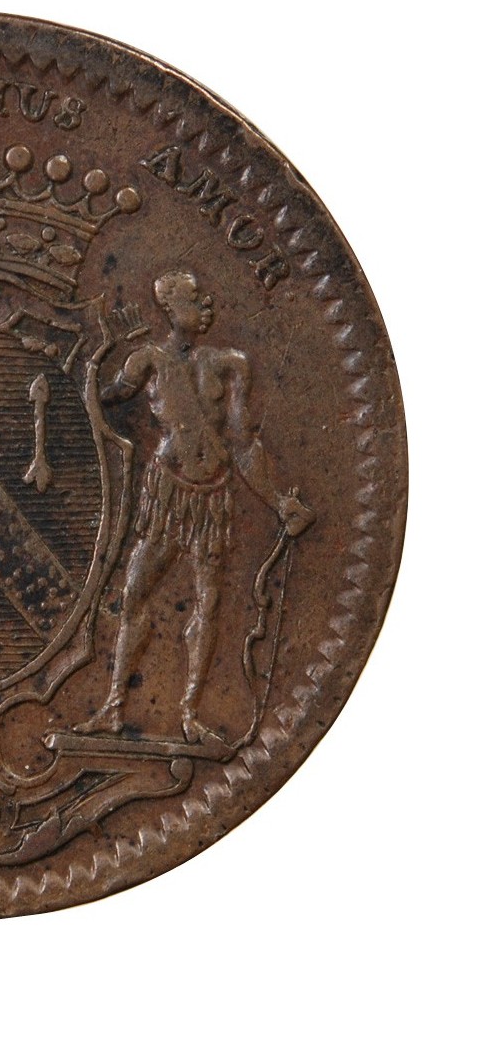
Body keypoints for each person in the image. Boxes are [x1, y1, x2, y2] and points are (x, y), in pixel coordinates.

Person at [77, 270, 314, 742]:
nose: (207, 303)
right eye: (195, 298)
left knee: (209, 603)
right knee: (134, 594)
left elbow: (243, 443)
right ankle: (114, 707)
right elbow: (100, 402)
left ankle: (190, 713)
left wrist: (276, 502)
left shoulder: (231, 365)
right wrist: (98, 354)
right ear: (170, 308)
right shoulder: (146, 360)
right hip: (167, 492)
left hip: (212, 496)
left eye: (204, 296)